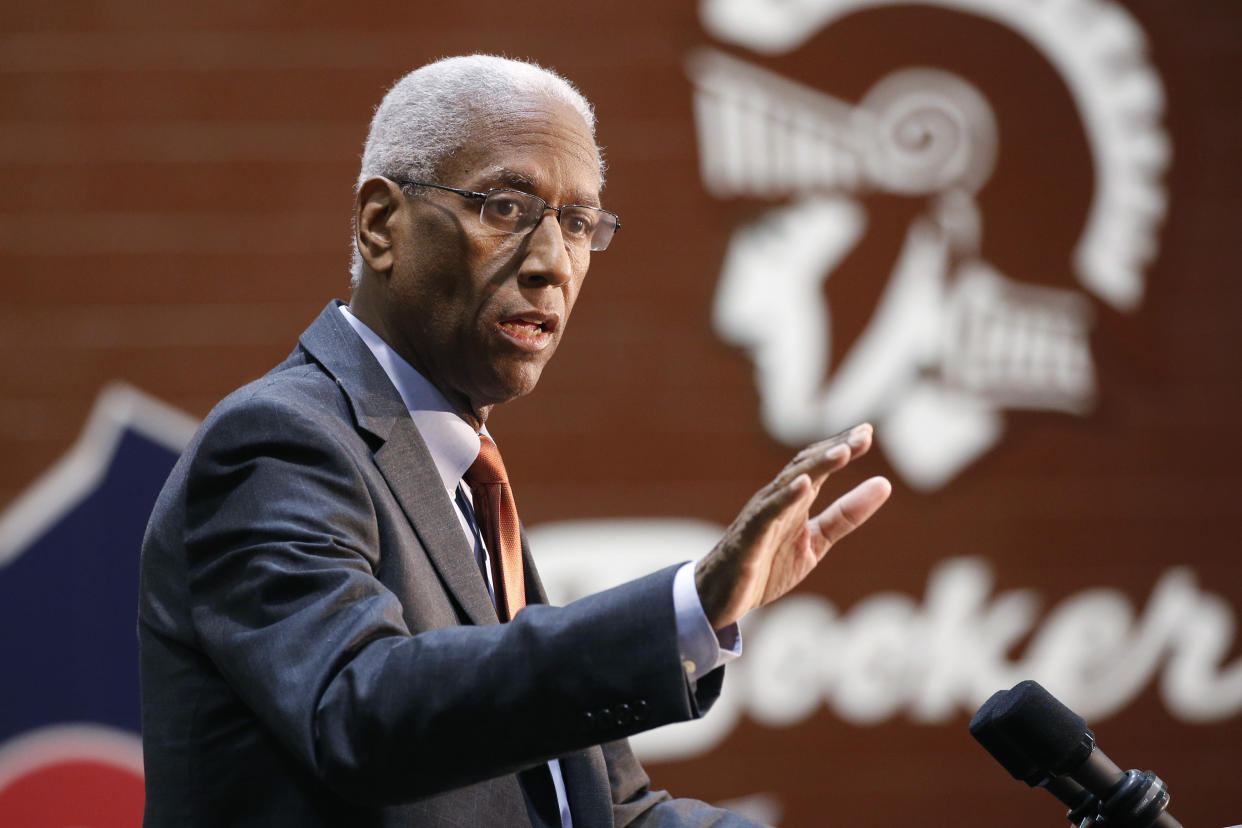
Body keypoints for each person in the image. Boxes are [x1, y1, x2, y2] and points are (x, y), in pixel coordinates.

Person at [137, 54, 892, 827]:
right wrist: (682, 609)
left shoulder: (460, 481)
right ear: (380, 225)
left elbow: (607, 814)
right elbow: (363, 710)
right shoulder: (281, 443)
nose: (551, 264)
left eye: (577, 223)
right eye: (504, 207)